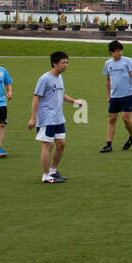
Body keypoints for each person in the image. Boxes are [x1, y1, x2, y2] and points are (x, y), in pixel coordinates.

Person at [28, 50, 83, 183]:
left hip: (58, 117)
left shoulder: (59, 77)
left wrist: (74, 101)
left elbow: (60, 94)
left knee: (61, 144)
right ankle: (46, 175)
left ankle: (53, 170)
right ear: (54, 63)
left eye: (67, 62)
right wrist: (33, 118)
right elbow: (36, 98)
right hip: (47, 118)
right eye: (63, 63)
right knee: (47, 145)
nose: (66, 65)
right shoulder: (45, 79)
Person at [100, 39, 132, 153]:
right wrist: (108, 96)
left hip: (127, 95)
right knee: (112, 119)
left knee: (126, 119)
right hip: (114, 97)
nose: (120, 53)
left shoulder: (128, 61)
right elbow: (108, 80)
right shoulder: (108, 64)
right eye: (117, 51)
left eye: (121, 50)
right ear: (111, 52)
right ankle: (108, 144)